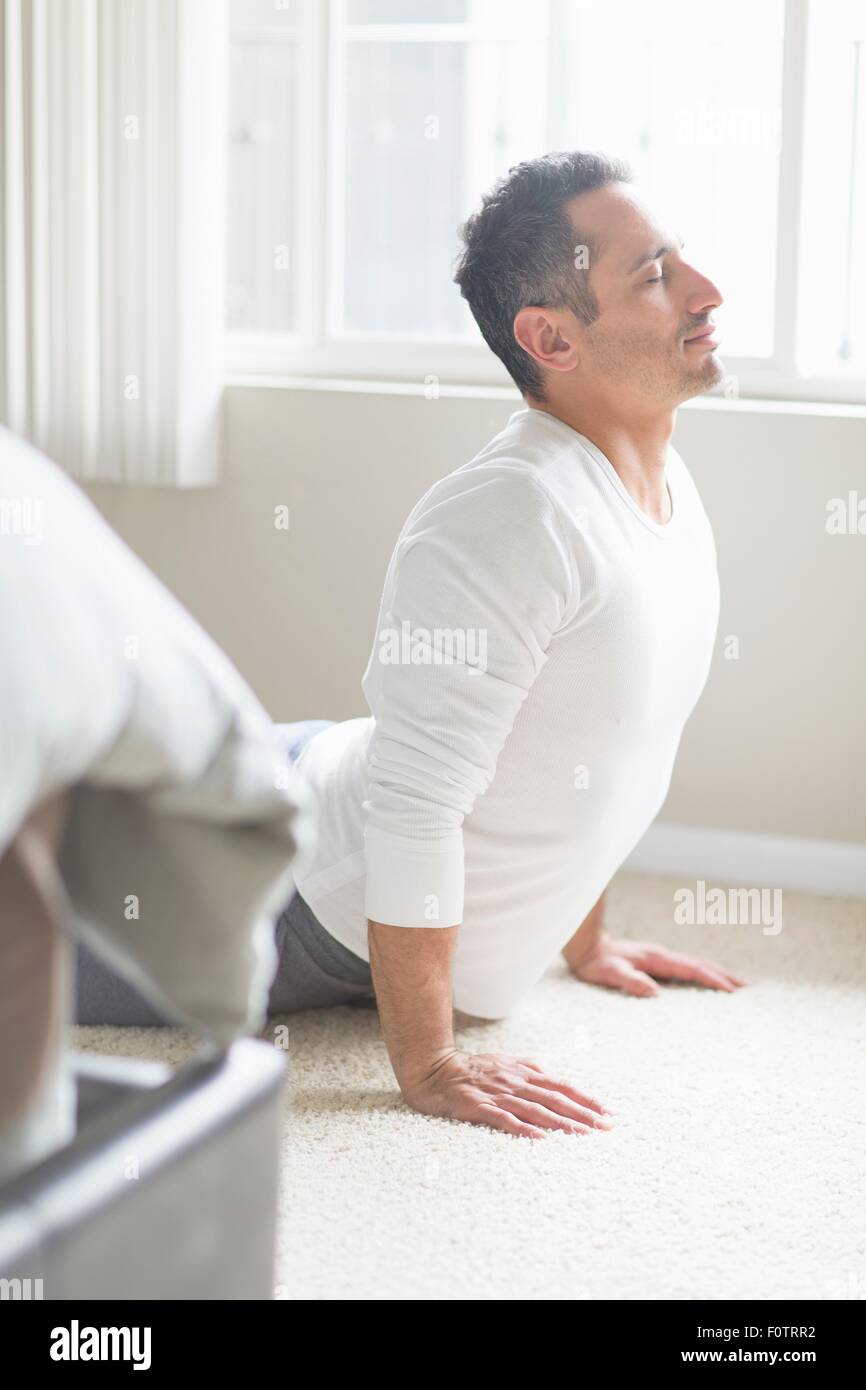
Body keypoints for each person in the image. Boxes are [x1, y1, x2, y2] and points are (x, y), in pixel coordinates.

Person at [78, 150, 746, 1141]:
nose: (705, 289)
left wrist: (583, 935)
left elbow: (596, 744)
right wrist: (428, 1061)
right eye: (652, 274)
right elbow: (415, 805)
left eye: (676, 257)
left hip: (313, 766)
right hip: (271, 881)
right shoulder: (511, 514)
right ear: (549, 337)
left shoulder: (657, 483)